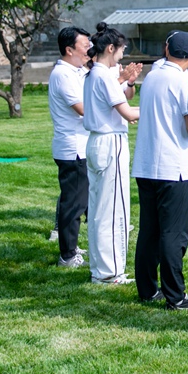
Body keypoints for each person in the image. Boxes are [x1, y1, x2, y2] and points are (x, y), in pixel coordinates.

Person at [132, 30, 188, 310]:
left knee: (149, 230)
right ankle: (175, 295)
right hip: (172, 165)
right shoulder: (182, 82)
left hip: (146, 163)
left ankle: (147, 289)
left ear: (166, 49)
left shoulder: (153, 75)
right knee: (174, 233)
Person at [82, 24, 140, 285]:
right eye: (121, 48)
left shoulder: (95, 74)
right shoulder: (103, 75)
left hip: (98, 141)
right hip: (109, 142)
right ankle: (111, 272)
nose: (123, 53)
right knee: (114, 209)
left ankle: (100, 269)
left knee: (99, 208)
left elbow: (122, 102)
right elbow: (127, 112)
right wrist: (157, 108)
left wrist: (128, 82)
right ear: (110, 48)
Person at [50, 26, 92, 268]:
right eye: (84, 46)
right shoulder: (62, 75)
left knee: (80, 201)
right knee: (73, 204)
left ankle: (72, 248)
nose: (89, 50)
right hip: (72, 148)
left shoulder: (77, 71)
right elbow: (83, 109)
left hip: (81, 145)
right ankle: (67, 256)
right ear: (69, 49)